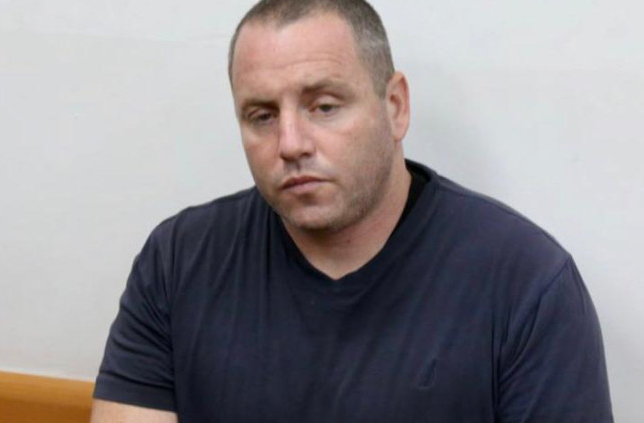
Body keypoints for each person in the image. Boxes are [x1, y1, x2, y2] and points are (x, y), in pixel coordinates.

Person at [90, 0, 613, 422]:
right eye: (262, 115)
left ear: (395, 107)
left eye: (324, 106)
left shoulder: (526, 284)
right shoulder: (178, 262)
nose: (291, 143)